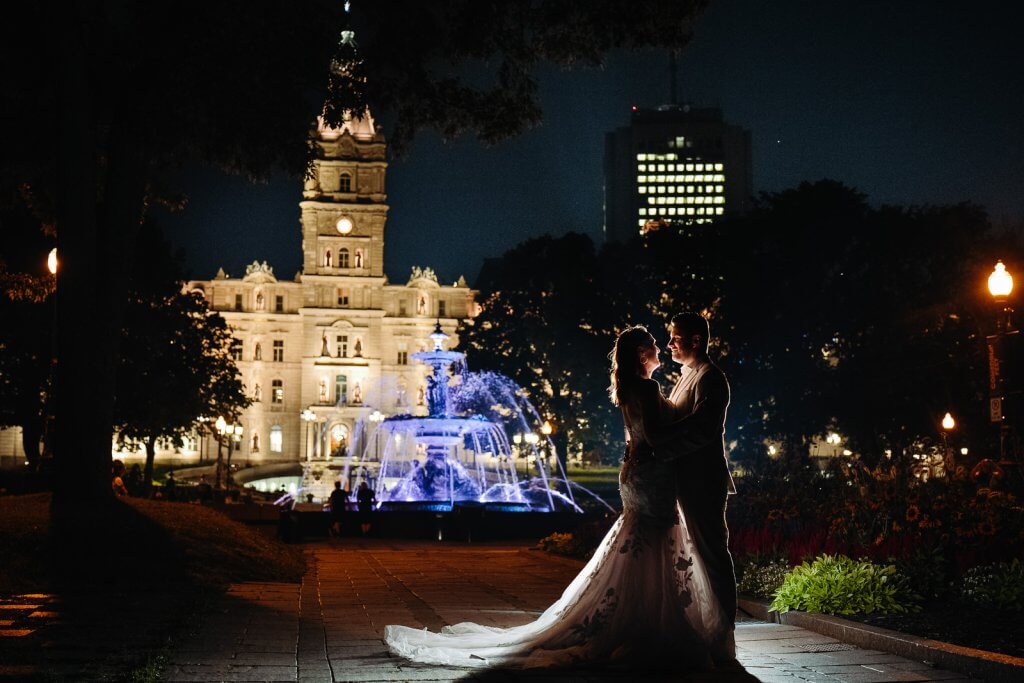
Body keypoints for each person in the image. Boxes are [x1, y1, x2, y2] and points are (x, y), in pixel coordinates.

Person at [384, 326, 730, 670]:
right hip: (651, 478)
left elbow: (650, 433)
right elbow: (656, 435)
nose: (662, 346)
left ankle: (638, 618)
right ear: (642, 354)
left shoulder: (633, 388)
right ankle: (655, 622)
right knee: (654, 545)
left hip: (638, 474)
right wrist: (689, 427)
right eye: (655, 344)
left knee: (641, 546)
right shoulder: (650, 386)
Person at [659, 311, 738, 664]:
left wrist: (659, 449)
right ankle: (704, 629)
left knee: (711, 552)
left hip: (703, 479)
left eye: (675, 338)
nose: (669, 344)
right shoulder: (686, 376)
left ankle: (723, 635)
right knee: (694, 557)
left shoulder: (711, 378)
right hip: (684, 479)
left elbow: (703, 430)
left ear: (694, 340)